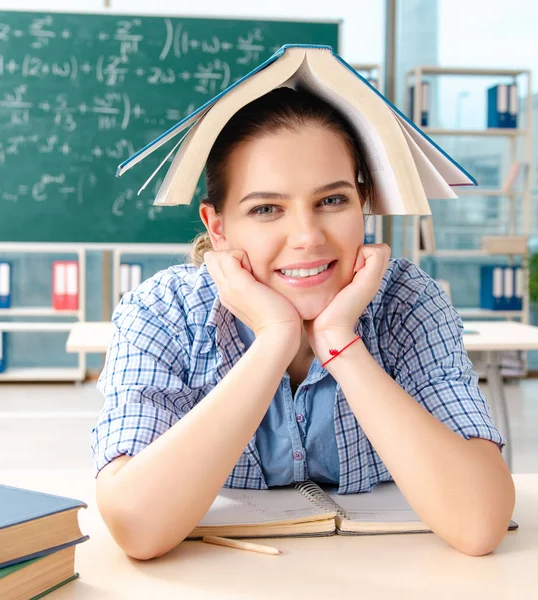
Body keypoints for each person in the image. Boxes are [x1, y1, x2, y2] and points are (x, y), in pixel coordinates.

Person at [91, 87, 514, 560]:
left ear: (364, 203)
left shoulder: (409, 302)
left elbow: (480, 524)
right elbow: (137, 527)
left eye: (332, 200)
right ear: (218, 227)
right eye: (266, 209)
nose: (309, 237)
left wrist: (340, 345)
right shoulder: (161, 310)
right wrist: (274, 340)